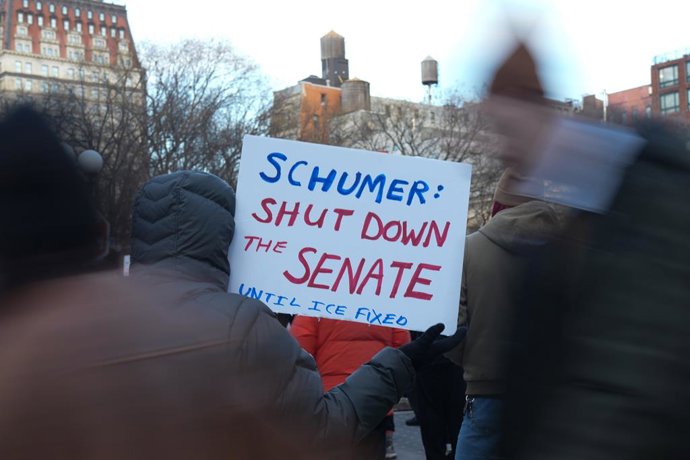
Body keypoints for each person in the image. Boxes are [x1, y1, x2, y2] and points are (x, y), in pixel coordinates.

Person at [0, 107, 465, 459]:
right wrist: (398, 362)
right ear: (229, 235)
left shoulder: (28, 336)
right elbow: (318, 430)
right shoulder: (242, 325)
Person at [446, 167, 563, 460]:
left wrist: (474, 360)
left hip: (485, 392)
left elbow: (454, 328)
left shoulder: (470, 249)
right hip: (546, 398)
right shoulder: (566, 251)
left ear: (499, 204)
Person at [290, 316, 410, 459]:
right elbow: (402, 345)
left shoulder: (315, 306)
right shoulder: (385, 305)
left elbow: (299, 350)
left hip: (333, 401)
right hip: (376, 398)